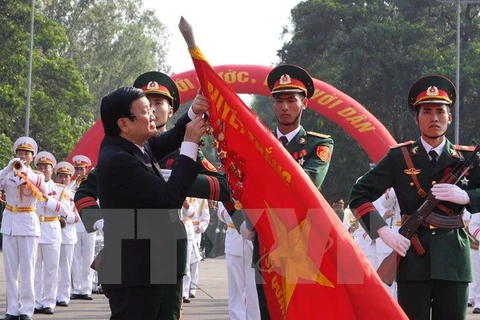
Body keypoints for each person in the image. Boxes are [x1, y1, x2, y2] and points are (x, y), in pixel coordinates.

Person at [349, 74, 480, 319]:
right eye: (427, 112)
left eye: (440, 111)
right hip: (412, 259)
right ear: (416, 118)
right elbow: (359, 194)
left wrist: (467, 196)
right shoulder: (399, 157)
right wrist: (382, 231)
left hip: (453, 259)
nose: (434, 118)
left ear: (449, 117)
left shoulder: (466, 159)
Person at [96, 86, 208, 320]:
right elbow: (170, 198)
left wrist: (192, 112)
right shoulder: (119, 160)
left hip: (145, 267)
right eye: (146, 111)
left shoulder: (130, 144)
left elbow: (164, 141)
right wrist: (190, 143)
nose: (154, 116)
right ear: (124, 124)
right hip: (134, 274)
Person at [240, 64, 334, 320]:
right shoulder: (256, 141)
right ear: (272, 104)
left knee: (305, 312)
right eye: (279, 100)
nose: (284, 107)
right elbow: (240, 184)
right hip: (267, 239)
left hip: (305, 240)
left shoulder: (319, 143)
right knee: (269, 310)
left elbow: (310, 180)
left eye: (291, 100)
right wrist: (244, 220)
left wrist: (265, 183)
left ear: (305, 103)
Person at [1, 137, 47, 320]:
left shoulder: (37, 175)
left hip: (28, 224)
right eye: (20, 153)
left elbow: (41, 189)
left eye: (26, 154)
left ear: (32, 157)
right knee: (10, 271)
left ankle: (27, 308)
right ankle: (12, 309)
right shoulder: (8, 175)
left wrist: (25, 170)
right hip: (10, 224)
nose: (22, 157)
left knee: (28, 269)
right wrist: (7, 168)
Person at [33, 151, 71, 315]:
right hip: (34, 229)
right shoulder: (30, 185)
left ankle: (49, 301)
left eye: (46, 167)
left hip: (51, 228)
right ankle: (35, 301)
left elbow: (65, 210)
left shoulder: (59, 189)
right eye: (40, 167)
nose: (43, 169)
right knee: (34, 270)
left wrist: (48, 200)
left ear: (52, 169)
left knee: (51, 269)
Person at [217, 202, 260, 320]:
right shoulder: (228, 187)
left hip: (253, 243)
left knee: (254, 288)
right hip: (234, 240)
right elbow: (221, 213)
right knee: (235, 289)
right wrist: (238, 211)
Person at [70, 154, 96, 301]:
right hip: (74, 226)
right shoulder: (70, 186)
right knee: (75, 260)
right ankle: (76, 289)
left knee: (88, 258)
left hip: (89, 225)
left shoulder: (91, 184)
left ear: (86, 169)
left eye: (82, 169)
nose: (79, 172)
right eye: (77, 169)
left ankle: (86, 289)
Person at [54, 161, 80, 307]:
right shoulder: (51, 191)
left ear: (70, 178)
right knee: (50, 268)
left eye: (66, 177)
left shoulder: (73, 195)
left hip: (67, 235)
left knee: (65, 267)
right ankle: (50, 295)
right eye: (61, 176)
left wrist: (63, 217)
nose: (63, 179)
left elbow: (77, 217)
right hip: (50, 233)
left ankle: (64, 295)